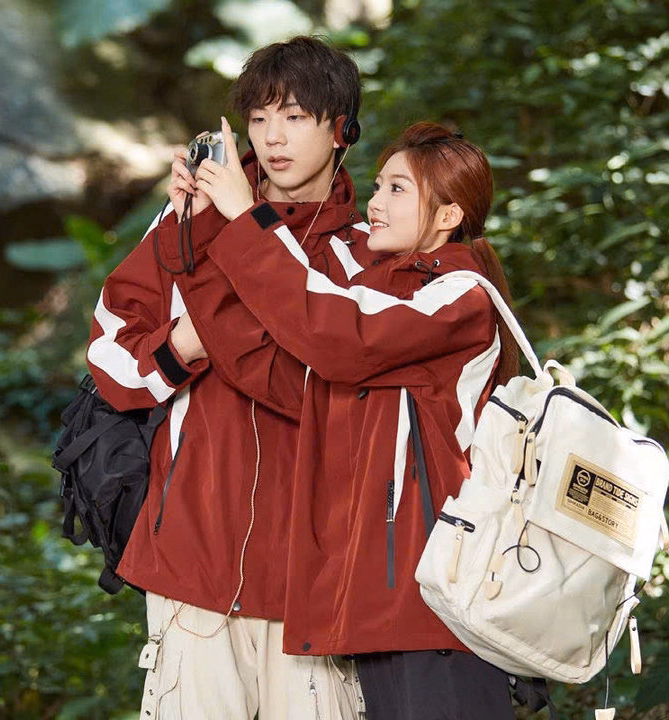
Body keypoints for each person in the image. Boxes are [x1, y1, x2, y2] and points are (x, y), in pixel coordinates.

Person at [175, 120, 521, 719]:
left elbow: (338, 331)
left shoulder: (459, 297)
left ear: (448, 216)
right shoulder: (380, 291)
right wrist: (206, 225)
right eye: (378, 185)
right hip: (381, 601)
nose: (376, 203)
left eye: (397, 190)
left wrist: (246, 218)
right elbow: (281, 368)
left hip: (439, 599)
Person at [85, 36, 370, 720]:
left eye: (295, 117)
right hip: (191, 559)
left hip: (314, 579)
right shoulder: (187, 222)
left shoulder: (362, 250)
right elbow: (112, 359)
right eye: (259, 118)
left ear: (341, 131)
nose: (273, 138)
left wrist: (242, 232)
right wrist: (184, 341)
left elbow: (322, 380)